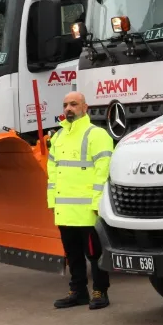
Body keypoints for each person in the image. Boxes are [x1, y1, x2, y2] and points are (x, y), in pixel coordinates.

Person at [47, 92, 114, 310]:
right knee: (73, 254)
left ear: (85, 107)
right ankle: (78, 291)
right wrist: (53, 202)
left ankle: (100, 291)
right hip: (65, 209)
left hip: (88, 209)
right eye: (65, 104)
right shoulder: (58, 137)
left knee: (95, 254)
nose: (68, 108)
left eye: (74, 104)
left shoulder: (97, 135)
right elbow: (53, 172)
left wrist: (97, 203)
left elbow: (103, 172)